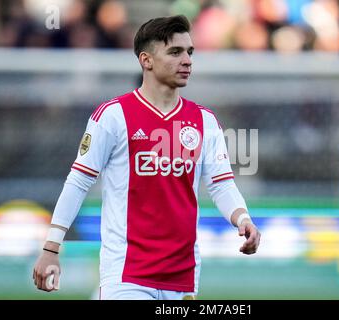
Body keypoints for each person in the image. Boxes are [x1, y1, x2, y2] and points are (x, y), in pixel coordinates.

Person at [32, 15, 261, 300]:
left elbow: (221, 184)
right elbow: (78, 182)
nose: (187, 60)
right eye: (175, 52)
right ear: (146, 60)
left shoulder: (204, 120)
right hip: (127, 275)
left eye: (190, 52)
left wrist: (243, 219)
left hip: (184, 275)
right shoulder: (113, 116)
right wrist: (51, 248)